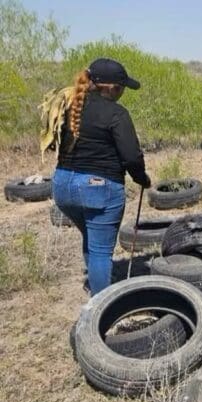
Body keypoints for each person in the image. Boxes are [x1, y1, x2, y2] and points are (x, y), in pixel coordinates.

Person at [52, 58, 151, 296]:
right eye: (122, 87)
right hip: (98, 188)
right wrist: (142, 178)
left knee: (91, 237)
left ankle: (98, 284)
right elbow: (131, 157)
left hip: (62, 186)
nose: (123, 92)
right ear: (111, 87)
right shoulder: (117, 114)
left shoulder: (69, 106)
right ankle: (102, 306)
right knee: (100, 251)